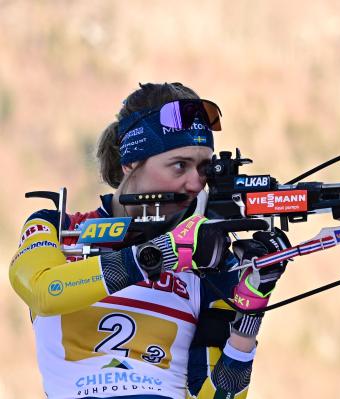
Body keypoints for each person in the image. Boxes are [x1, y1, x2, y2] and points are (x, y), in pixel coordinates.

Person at [9, 82, 290, 399]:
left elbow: (213, 395)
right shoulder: (57, 227)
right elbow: (44, 292)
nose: (196, 182)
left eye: (204, 168)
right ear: (130, 163)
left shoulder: (210, 259)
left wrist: (250, 315)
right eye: (180, 165)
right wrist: (163, 254)